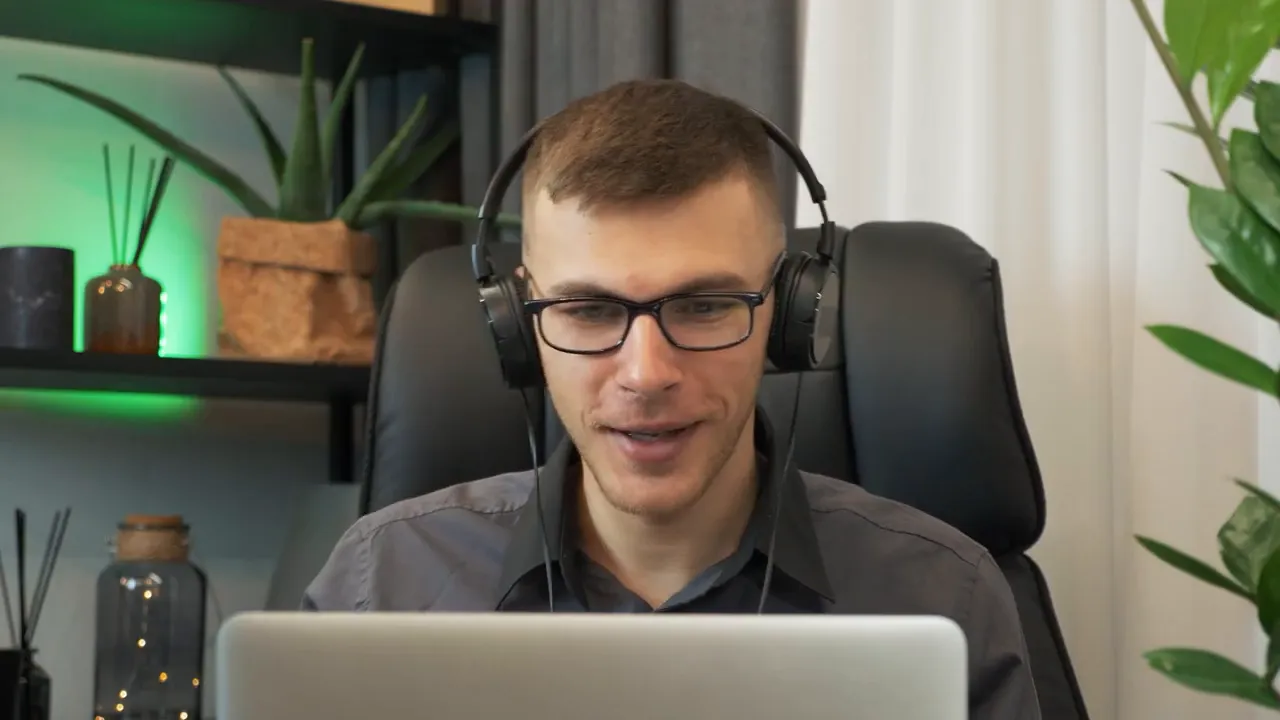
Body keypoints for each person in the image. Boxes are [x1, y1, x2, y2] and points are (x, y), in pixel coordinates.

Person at [302, 78, 1041, 720]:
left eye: (704, 306)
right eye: (589, 311)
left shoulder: (945, 598)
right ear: (517, 327)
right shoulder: (383, 583)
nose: (645, 374)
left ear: (789, 314)